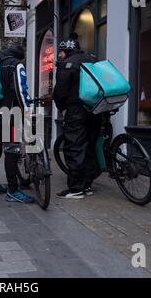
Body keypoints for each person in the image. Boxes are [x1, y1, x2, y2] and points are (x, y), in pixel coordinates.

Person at [53, 33, 102, 199]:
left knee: (74, 147)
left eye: (61, 51)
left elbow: (60, 92)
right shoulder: (91, 61)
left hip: (76, 110)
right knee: (88, 146)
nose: (59, 54)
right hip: (95, 109)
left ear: (67, 50)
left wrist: (61, 107)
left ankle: (76, 189)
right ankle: (87, 184)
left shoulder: (67, 64)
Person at [0, 43, 36, 204]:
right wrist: (28, 109)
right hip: (10, 114)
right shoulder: (16, 65)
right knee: (11, 151)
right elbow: (21, 91)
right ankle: (13, 190)